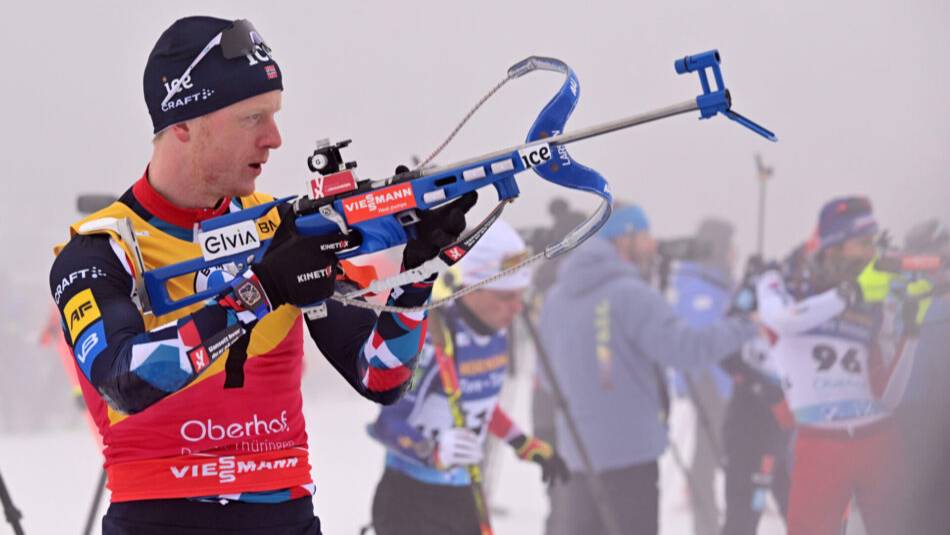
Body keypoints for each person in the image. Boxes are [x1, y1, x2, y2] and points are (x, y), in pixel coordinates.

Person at [48, 16, 474, 535]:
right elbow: (124, 381)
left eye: (273, 115)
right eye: (252, 118)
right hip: (157, 519)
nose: (274, 139)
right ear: (183, 125)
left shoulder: (282, 226)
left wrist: (417, 274)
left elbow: (380, 377)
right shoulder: (99, 249)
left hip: (285, 515)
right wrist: (263, 291)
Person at [539, 204, 758, 535]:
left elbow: (546, 376)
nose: (653, 244)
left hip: (578, 457)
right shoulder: (632, 295)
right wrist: (745, 326)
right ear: (623, 238)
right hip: (630, 458)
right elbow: (686, 350)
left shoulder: (556, 298)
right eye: (644, 235)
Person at [368, 220, 569, 535]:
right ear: (472, 287)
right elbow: (387, 424)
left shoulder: (496, 337)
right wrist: (432, 451)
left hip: (462, 493)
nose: (516, 308)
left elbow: (477, 404)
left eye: (520, 296)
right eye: (505, 297)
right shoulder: (432, 341)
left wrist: (522, 443)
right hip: (410, 499)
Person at [754, 196, 911, 535]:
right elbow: (783, 318)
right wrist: (850, 293)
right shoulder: (786, 282)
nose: (870, 253)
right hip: (818, 438)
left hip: (873, 436)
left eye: (873, 243)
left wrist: (910, 327)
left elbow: (889, 393)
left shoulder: (873, 297)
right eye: (862, 243)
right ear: (834, 247)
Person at [669, 218, 737, 535]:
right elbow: (702, 342)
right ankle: (706, 526)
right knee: (709, 459)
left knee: (711, 457)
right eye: (729, 245)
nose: (734, 252)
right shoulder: (701, 287)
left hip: (721, 385)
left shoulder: (718, 282)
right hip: (712, 385)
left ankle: (708, 523)